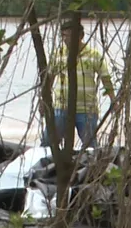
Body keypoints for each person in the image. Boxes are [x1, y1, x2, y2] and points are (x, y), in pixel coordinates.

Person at [42, 20, 116, 149]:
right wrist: (43, 101)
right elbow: (49, 79)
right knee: (48, 142)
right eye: (63, 36)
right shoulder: (58, 55)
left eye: (69, 36)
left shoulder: (94, 55)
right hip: (61, 107)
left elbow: (105, 78)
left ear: (80, 36)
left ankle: (92, 168)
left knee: (90, 146)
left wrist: (113, 100)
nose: (66, 39)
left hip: (87, 110)